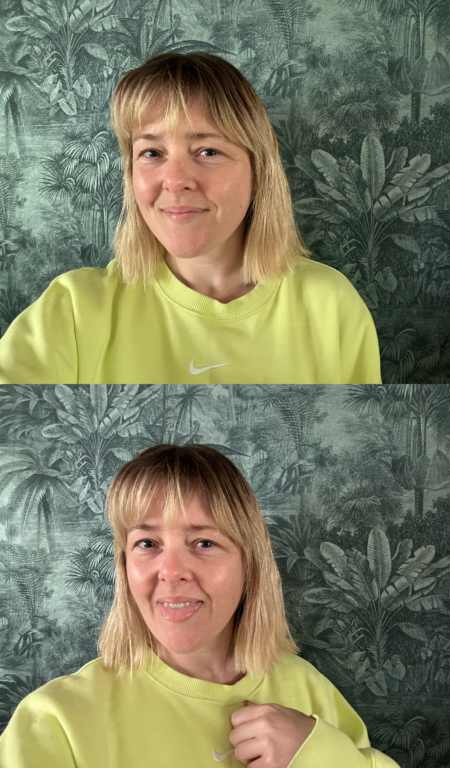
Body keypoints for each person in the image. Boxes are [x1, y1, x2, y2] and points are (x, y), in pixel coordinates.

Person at [0, 444, 398, 767]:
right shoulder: (54, 723)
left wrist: (317, 756)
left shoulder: (308, 689)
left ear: (250, 562)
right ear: (124, 565)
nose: (170, 573)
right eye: (147, 544)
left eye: (204, 543)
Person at [0, 52, 380, 384]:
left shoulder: (332, 306)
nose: (176, 181)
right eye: (151, 153)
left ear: (258, 169)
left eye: (208, 151)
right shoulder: (71, 312)